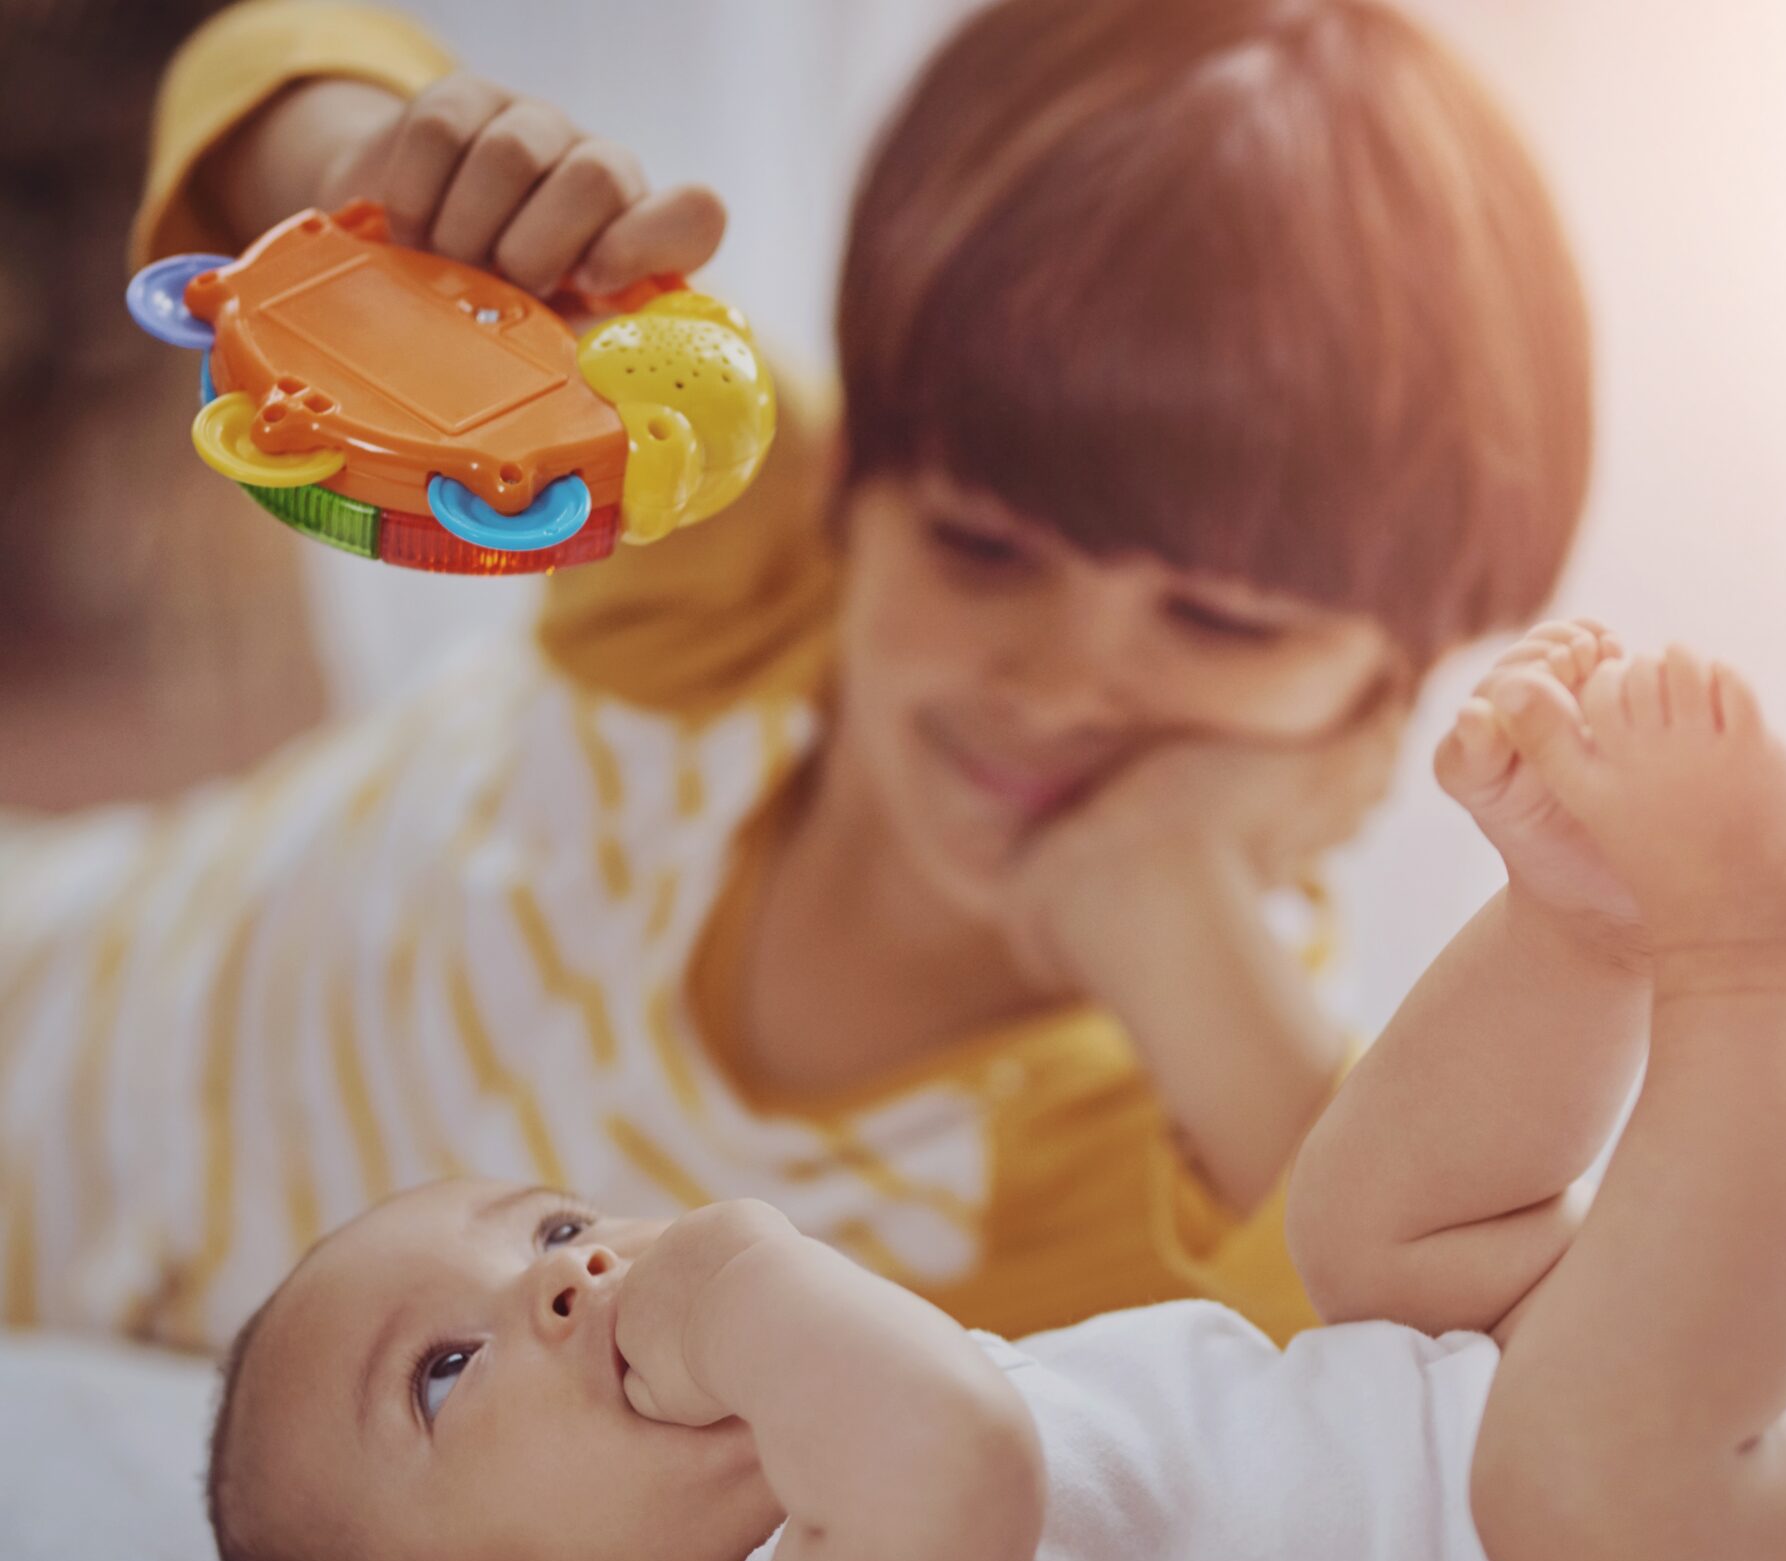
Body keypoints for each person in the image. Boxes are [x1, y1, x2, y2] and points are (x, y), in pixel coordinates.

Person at [203, 632, 1786, 1561]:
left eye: (548, 1223)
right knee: (1577, 1494)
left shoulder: (819, 1483)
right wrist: (733, 1271)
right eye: (448, 1372)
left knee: (1360, 1233)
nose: (561, 1280)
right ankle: (1755, 969)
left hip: (1678, 1398)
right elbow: (955, 1448)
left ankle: (1578, 929)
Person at [0, 0, 1589, 1344]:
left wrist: (1160, 897)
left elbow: (1454, 1377)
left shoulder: (1200, 1107)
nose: (1059, 680)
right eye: (982, 547)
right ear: (860, 489)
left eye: (1224, 624)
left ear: (1391, 691)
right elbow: (258, 55)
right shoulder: (743, 545)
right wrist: (376, 174)